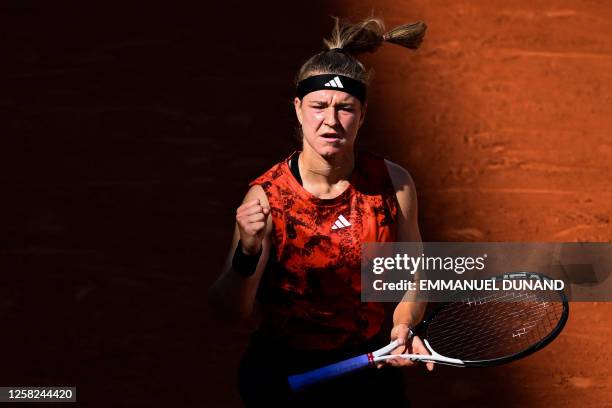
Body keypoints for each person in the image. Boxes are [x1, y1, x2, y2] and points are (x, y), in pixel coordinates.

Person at [208, 17, 432, 406]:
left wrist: (402, 324)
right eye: (318, 106)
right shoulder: (265, 199)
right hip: (286, 377)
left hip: (369, 374)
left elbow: (415, 273)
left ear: (362, 115)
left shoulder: (393, 184)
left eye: (345, 108)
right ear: (298, 109)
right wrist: (247, 253)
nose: (331, 120)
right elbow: (231, 310)